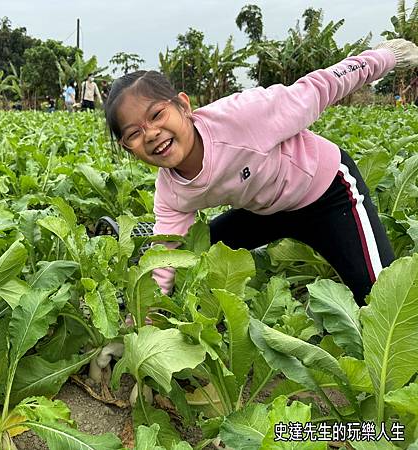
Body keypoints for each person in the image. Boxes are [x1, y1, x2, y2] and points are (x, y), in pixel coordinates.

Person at [104, 39, 418, 306]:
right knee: (193, 251)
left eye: (157, 115)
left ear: (183, 106)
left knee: (381, 303)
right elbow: (167, 257)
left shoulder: (242, 118)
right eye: (134, 133)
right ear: (127, 147)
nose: (151, 133)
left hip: (329, 194)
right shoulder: (171, 190)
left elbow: (320, 87)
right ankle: (262, 243)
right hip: (267, 212)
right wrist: (144, 319)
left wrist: (385, 57)